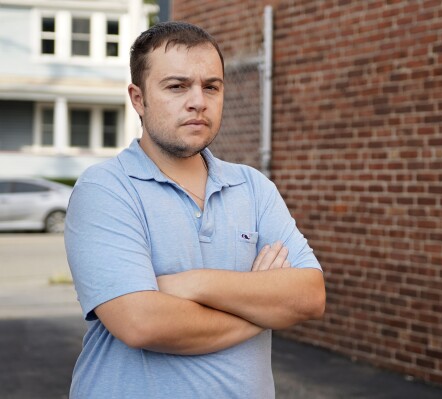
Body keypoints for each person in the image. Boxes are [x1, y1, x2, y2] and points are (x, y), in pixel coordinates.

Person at [64, 21, 325, 399]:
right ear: (138, 99)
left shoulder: (253, 187)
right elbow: (142, 324)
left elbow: (310, 296)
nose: (198, 101)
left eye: (211, 87)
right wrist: (262, 306)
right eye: (177, 86)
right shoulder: (106, 188)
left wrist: (192, 283)